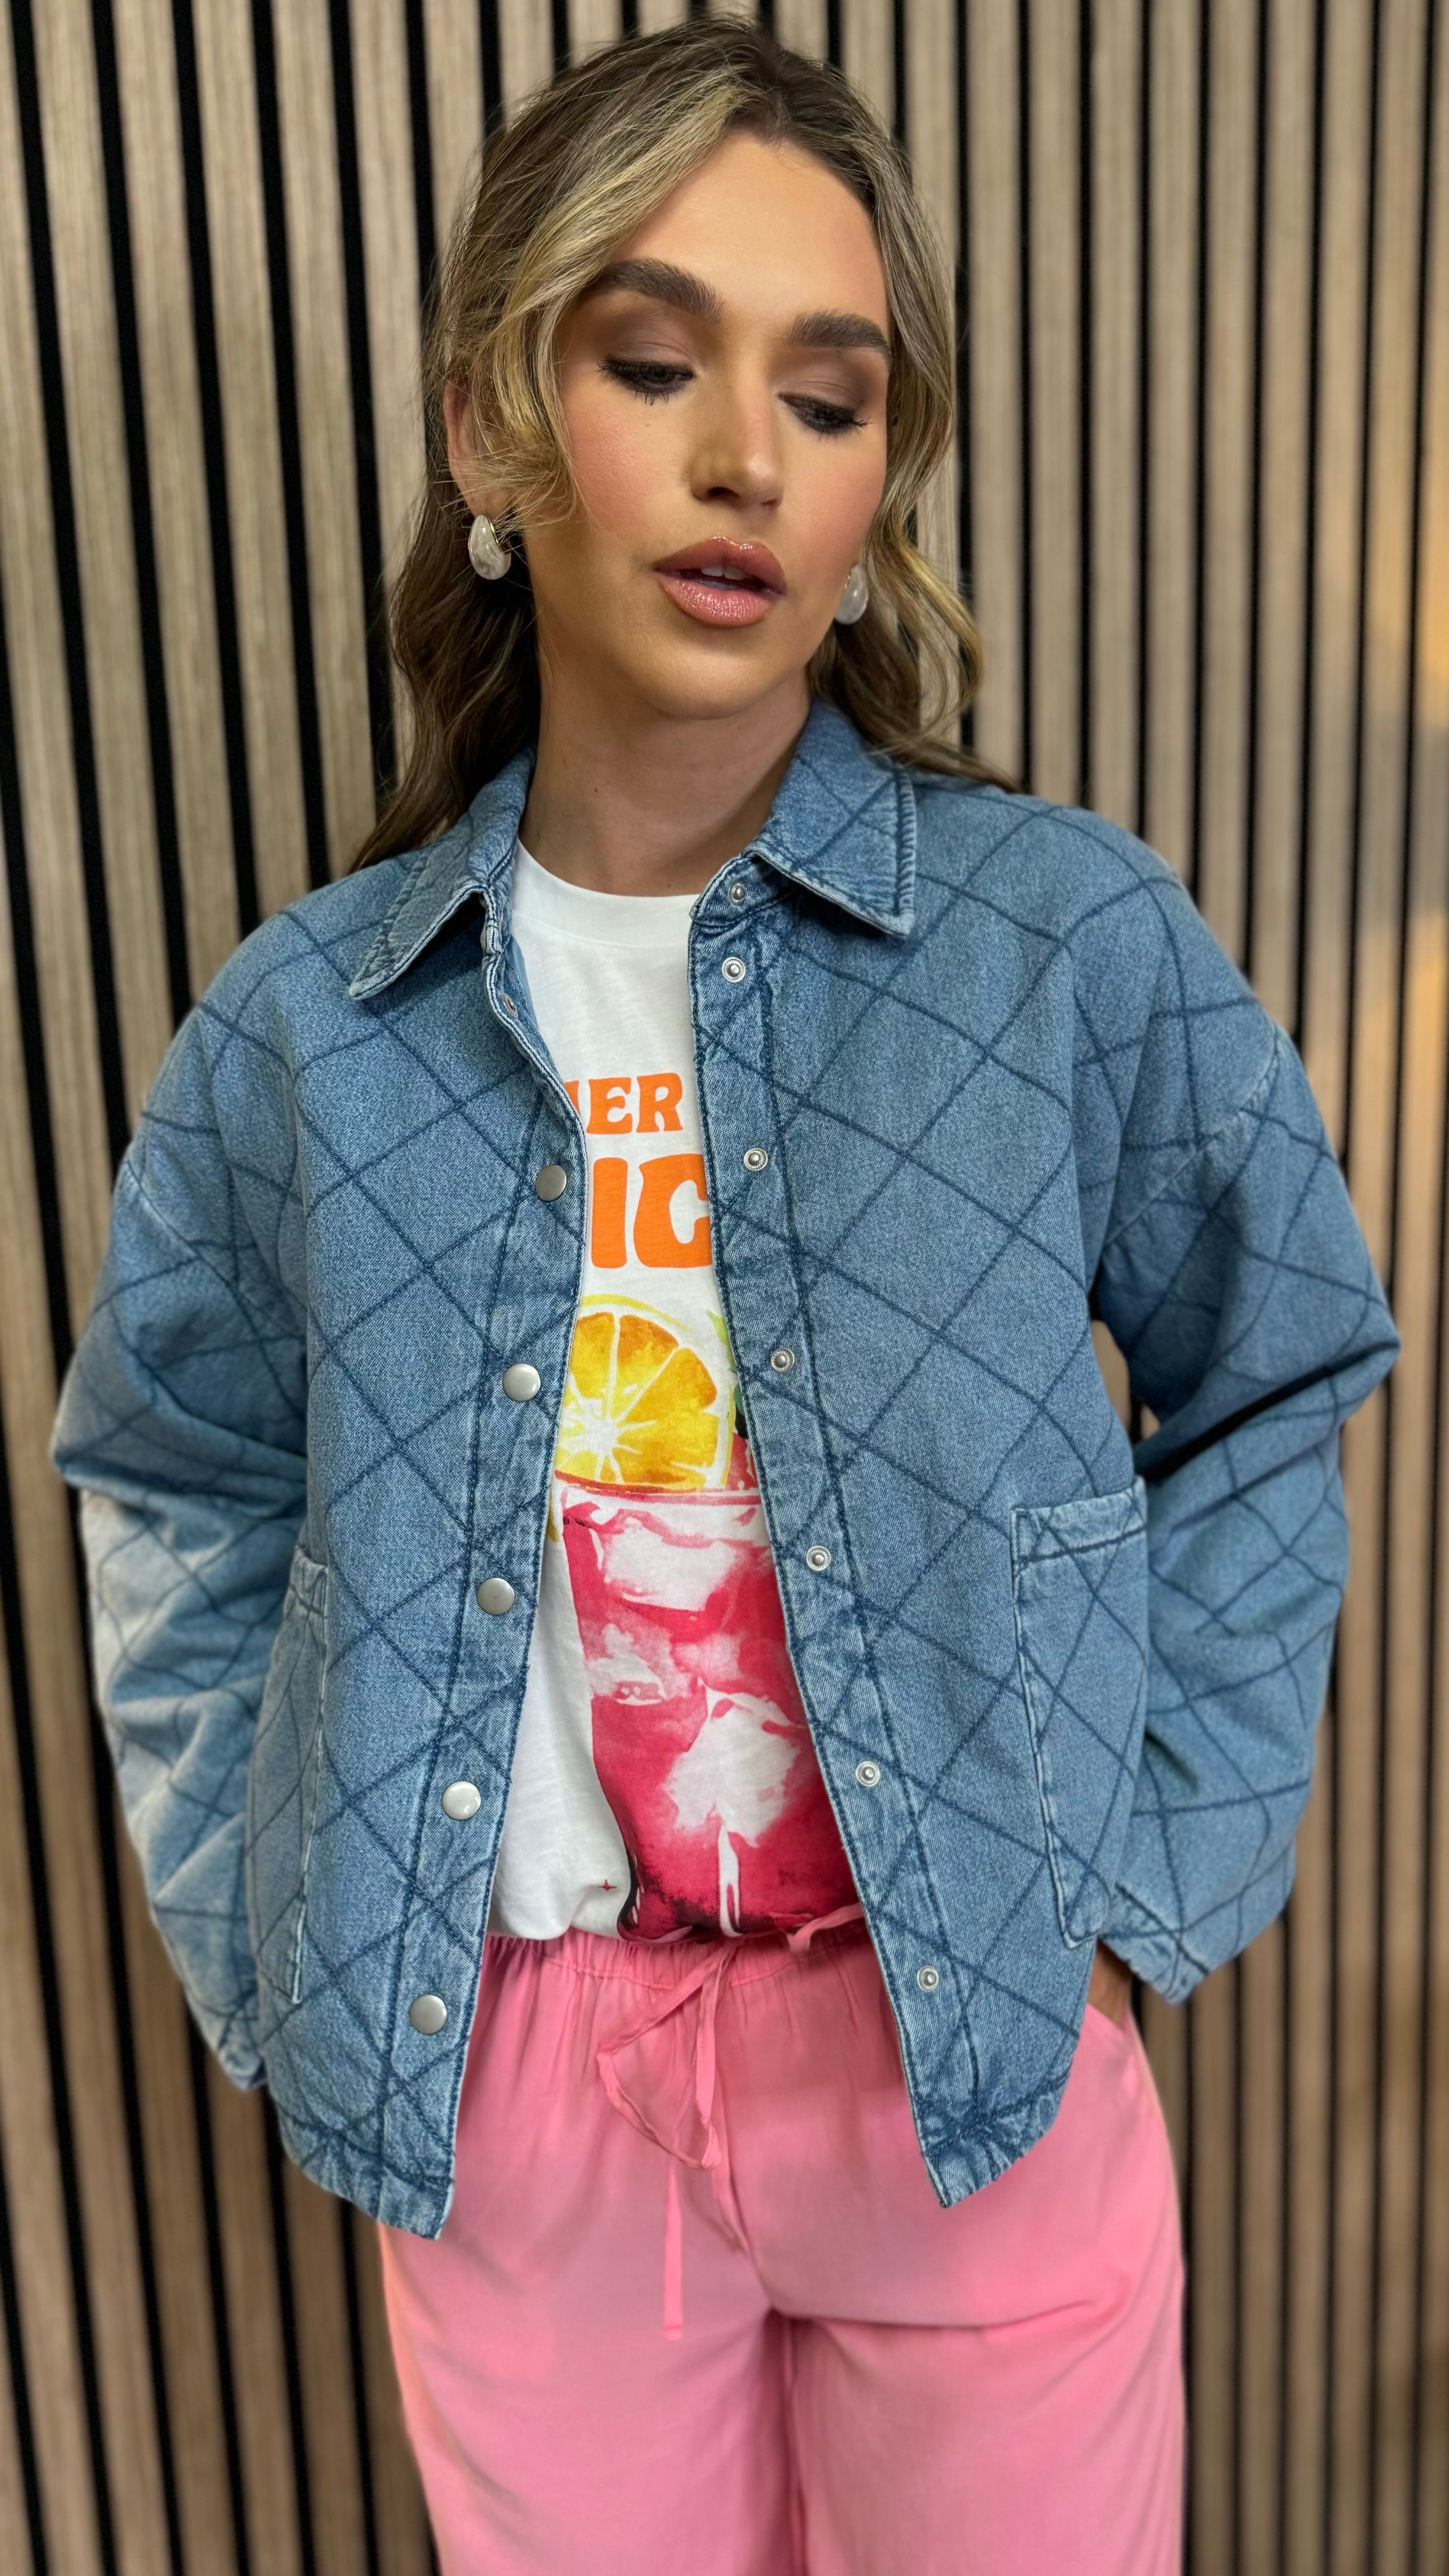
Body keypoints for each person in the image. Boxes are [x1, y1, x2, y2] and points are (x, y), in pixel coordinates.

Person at [50, 22, 1399, 2575]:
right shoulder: (310, 1031)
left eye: (828, 393)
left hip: (963, 2055)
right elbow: (175, 1480)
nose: (746, 460)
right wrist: (277, 1925)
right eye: (655, 363)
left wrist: (1130, 1899)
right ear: (493, 427)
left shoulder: (1054, 940)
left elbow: (1279, 1367)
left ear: (883, 478)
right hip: (521, 2101)